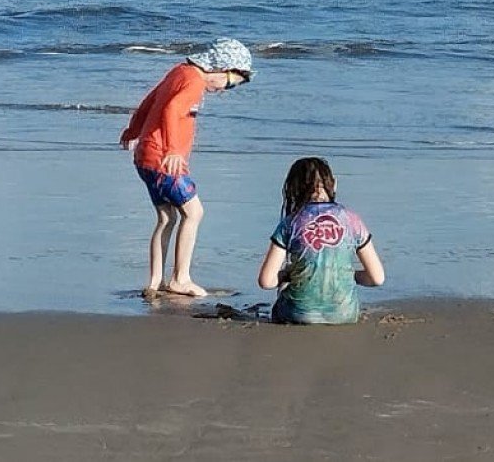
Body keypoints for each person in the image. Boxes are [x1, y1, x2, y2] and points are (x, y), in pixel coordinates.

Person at [120, 38, 255, 297]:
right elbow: (171, 109)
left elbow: (149, 102)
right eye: (228, 83)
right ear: (220, 67)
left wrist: (133, 130)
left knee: (167, 217)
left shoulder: (179, 71)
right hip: (164, 159)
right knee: (194, 213)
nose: (225, 90)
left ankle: (154, 281)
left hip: (145, 157)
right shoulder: (195, 82)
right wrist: (172, 149)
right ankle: (180, 278)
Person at [258, 156, 385, 324]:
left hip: (298, 315)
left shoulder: (290, 223)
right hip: (345, 315)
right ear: (334, 183)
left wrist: (286, 275)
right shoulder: (352, 220)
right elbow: (377, 278)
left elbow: (266, 281)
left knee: (284, 288)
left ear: (294, 189)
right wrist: (345, 274)